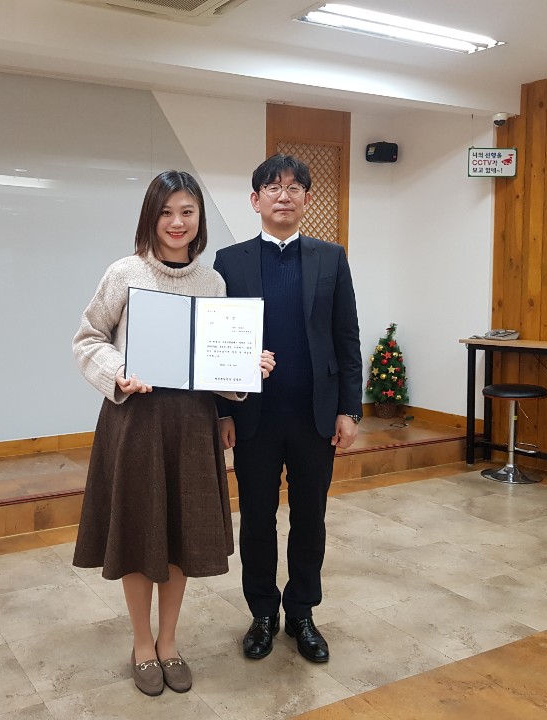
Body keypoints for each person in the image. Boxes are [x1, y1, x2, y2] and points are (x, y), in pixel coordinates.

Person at [72, 170, 274, 696]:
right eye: (166, 212)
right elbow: (88, 338)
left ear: (199, 218)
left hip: (191, 427)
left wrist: (245, 370)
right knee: (140, 532)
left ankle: (169, 640)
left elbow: (212, 365)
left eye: (187, 211)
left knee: (181, 535)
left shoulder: (212, 283)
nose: (177, 222)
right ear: (151, 217)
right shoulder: (124, 272)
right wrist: (118, 372)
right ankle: (142, 644)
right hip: (135, 422)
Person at [213, 154, 362, 664]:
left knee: (310, 519)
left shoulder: (331, 257)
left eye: (294, 188)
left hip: (314, 417)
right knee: (257, 519)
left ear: (306, 199)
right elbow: (217, 343)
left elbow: (346, 337)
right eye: (273, 188)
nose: (284, 196)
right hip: (252, 418)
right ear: (255, 200)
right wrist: (222, 413)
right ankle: (262, 613)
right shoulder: (230, 261)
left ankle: (301, 612)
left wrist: (350, 409)